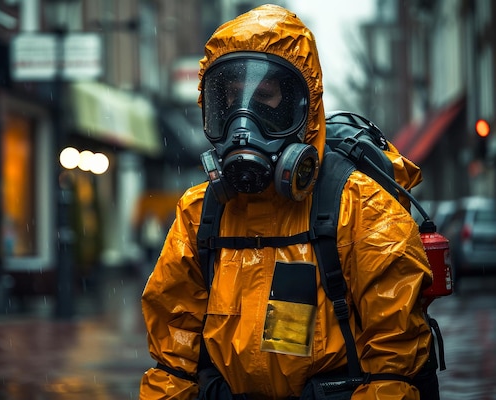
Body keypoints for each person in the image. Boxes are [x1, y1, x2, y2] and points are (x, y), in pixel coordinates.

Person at [139, 4, 434, 399]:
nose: (243, 126)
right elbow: (173, 367)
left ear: (303, 108)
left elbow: (394, 372)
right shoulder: (200, 215)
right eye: (230, 101)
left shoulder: (361, 209)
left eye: (264, 98)